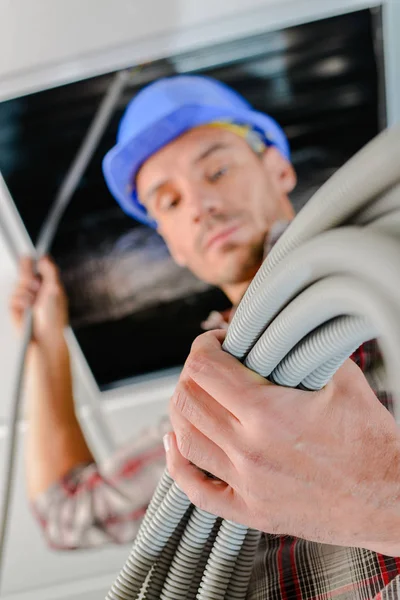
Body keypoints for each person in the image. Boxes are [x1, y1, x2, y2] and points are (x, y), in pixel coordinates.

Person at [10, 75, 400, 598]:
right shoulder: (206, 413)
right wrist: (47, 344)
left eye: (217, 169)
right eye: (169, 202)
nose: (200, 205)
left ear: (279, 168)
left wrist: (379, 498)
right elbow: (68, 512)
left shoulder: (384, 270)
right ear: (171, 245)